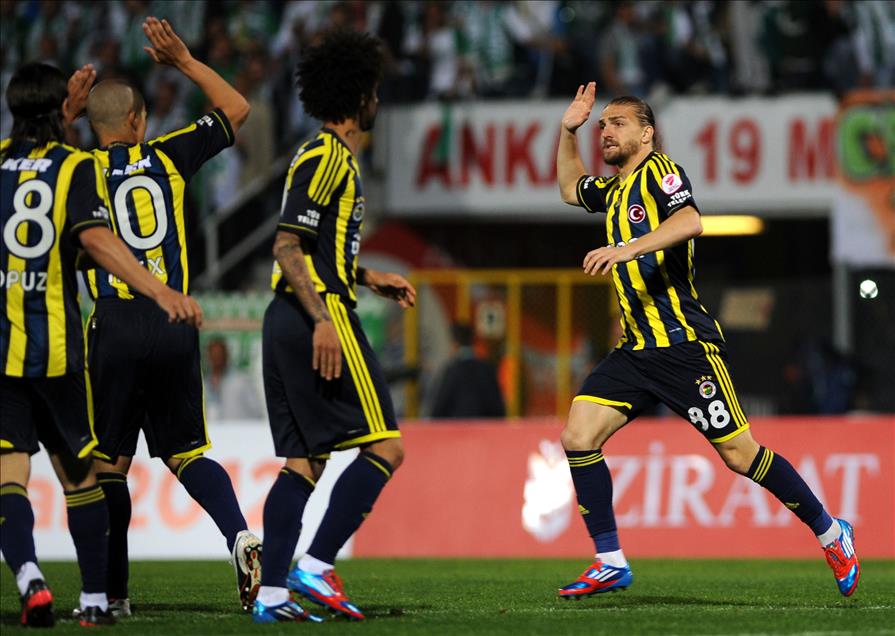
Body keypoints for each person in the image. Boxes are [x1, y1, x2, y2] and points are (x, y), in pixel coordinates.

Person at [554, 82, 860, 599]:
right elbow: (568, 188)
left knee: (740, 455)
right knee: (578, 436)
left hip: (683, 347)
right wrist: (568, 130)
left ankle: (832, 533)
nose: (605, 131)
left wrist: (628, 248)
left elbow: (691, 220)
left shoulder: (661, 172)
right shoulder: (614, 190)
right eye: (602, 125)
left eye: (618, 123)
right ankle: (609, 560)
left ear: (647, 134)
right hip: (636, 351)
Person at [0, 61, 201, 628]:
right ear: (62, 110)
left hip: (3, 347)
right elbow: (95, 238)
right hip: (58, 349)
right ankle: (94, 599)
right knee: (81, 477)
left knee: (9, 472)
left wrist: (62, 111)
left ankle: (29, 575)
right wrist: (160, 290)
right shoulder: (74, 166)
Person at [78, 17, 260, 616]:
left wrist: (67, 114)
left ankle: (114, 595)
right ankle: (239, 535)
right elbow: (237, 107)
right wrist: (183, 60)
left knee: (109, 467)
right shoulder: (169, 155)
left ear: (93, 126)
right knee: (186, 455)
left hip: (113, 322)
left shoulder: (75, 172)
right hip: (173, 318)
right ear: (137, 121)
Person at [254, 29, 417, 624]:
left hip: (288, 315)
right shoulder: (327, 156)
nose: (377, 100)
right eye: (373, 90)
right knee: (387, 447)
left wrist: (367, 276)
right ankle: (317, 565)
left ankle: (272, 595)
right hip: (317, 316)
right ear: (360, 96)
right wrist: (323, 319)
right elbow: (287, 245)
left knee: (305, 462)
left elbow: (315, 248)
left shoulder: (326, 157)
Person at [431, 323, 505, 418]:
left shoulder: (452, 370)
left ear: (455, 344)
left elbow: (440, 407)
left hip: (457, 425)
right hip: (483, 425)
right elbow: (497, 407)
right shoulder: (486, 369)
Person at [204, 336, 264, 421]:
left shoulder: (241, 381)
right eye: (213, 354)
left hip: (240, 428)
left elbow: (257, 412)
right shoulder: (203, 384)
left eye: (219, 354)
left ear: (226, 355)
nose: (216, 358)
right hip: (212, 428)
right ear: (208, 357)